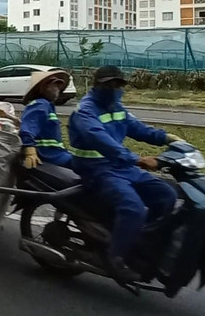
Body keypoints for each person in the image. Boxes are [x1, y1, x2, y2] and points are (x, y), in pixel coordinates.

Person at [68, 65, 184, 284]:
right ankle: (114, 257)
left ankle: (140, 240)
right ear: (97, 85)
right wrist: (137, 159)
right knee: (133, 208)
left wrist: (167, 138)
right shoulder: (85, 110)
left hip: (121, 166)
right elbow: (100, 139)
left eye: (118, 85)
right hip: (96, 169)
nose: (114, 88)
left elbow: (137, 128)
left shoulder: (116, 107)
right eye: (109, 85)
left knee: (166, 195)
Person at [18, 69, 75, 169]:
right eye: (54, 85)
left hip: (57, 154)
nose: (58, 88)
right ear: (42, 88)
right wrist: (30, 152)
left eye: (59, 86)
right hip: (50, 156)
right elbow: (27, 129)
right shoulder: (40, 105)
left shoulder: (48, 106)